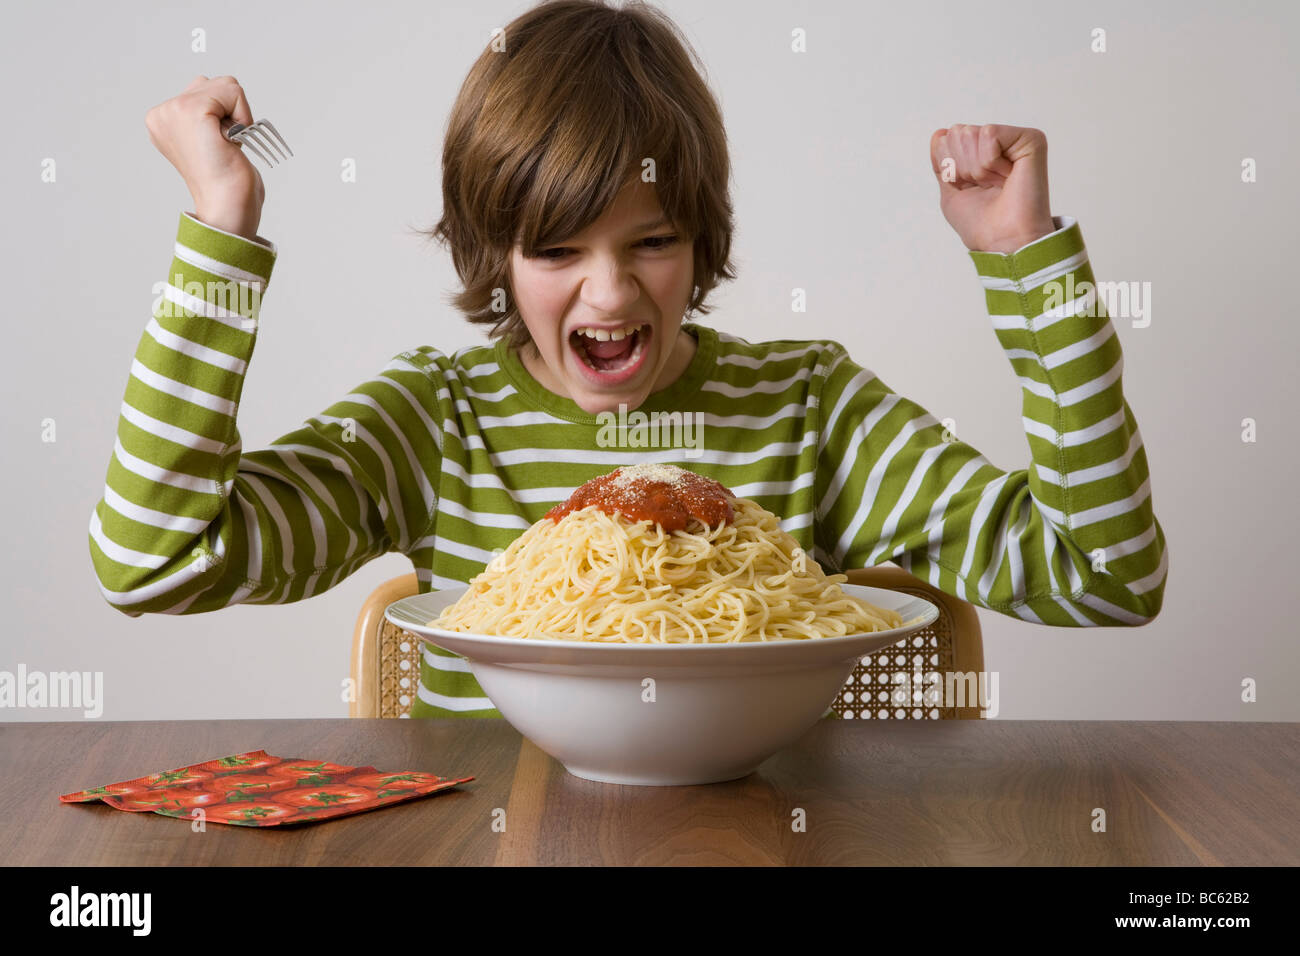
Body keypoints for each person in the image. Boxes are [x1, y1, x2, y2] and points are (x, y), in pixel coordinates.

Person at [89, 0, 1167, 719]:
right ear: (491, 256)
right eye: (556, 250)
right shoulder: (436, 424)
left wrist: (1029, 267)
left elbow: (1107, 575)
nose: (608, 294)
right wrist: (222, 228)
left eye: (650, 240)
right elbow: (152, 559)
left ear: (701, 238)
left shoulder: (807, 408)